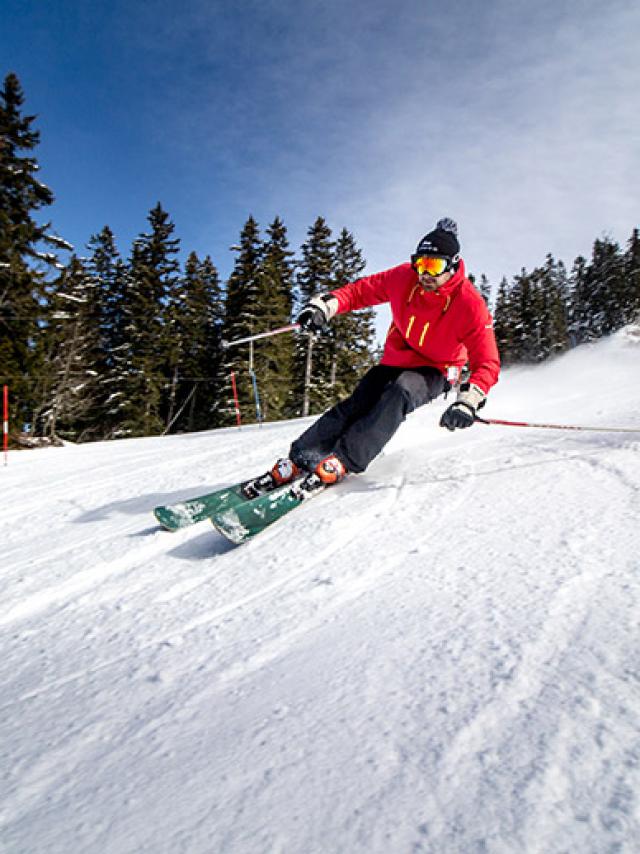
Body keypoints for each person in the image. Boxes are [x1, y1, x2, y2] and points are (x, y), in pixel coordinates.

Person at [243, 218, 500, 499]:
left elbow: (487, 361)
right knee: (360, 401)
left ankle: (344, 459)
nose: (424, 273)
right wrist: (322, 307)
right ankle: (302, 455)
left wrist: (468, 401)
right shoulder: (404, 278)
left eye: (434, 266)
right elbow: (358, 292)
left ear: (452, 266)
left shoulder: (469, 304)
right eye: (421, 263)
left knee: (399, 393)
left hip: (438, 368)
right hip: (398, 357)